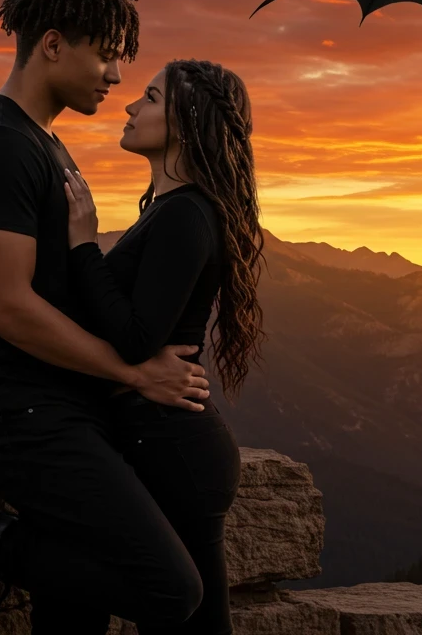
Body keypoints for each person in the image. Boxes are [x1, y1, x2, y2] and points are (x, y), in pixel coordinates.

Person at [0, 0, 237, 634]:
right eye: (105, 55)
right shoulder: (0, 148)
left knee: (75, 620)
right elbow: (3, 307)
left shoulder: (46, 146)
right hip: (20, 415)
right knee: (172, 588)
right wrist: (131, 371)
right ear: (54, 45)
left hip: (67, 411)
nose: (116, 77)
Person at [58, 56, 267, 633]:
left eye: (149, 98)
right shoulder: (177, 211)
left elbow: (135, 338)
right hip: (170, 443)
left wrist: (81, 245)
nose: (129, 105)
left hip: (174, 447)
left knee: (193, 617)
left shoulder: (185, 215)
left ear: (186, 116)